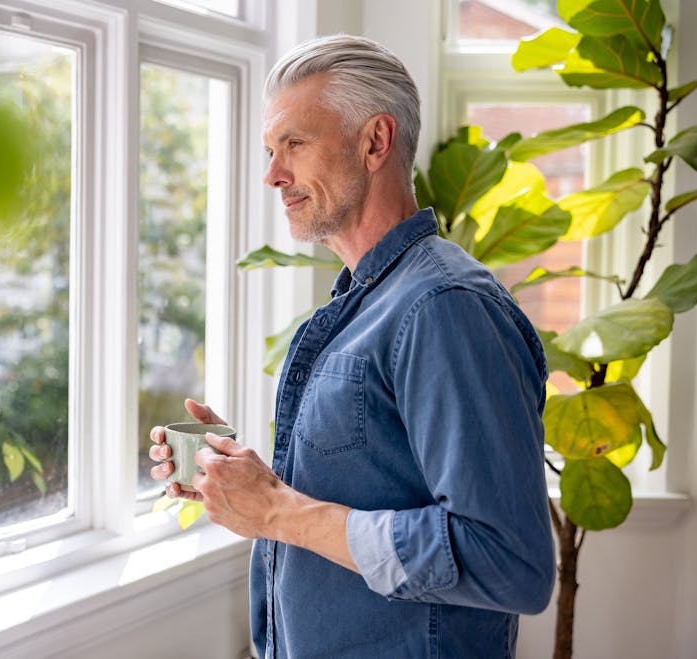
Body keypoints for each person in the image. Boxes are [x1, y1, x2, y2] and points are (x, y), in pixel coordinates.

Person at [149, 34, 555, 658]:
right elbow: (368, 494)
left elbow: (510, 563)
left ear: (375, 141)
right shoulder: (366, 304)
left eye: (294, 144)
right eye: (269, 149)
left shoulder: (443, 308)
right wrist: (242, 485)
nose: (272, 174)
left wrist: (280, 512)